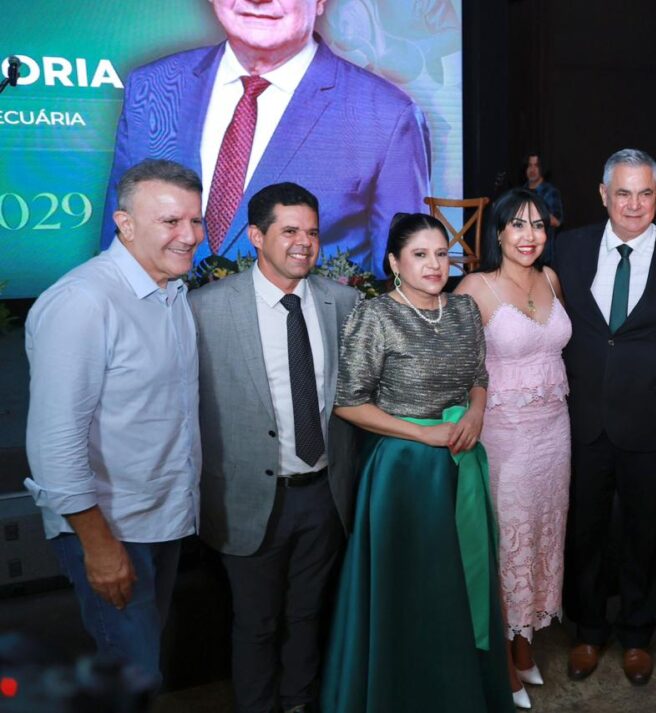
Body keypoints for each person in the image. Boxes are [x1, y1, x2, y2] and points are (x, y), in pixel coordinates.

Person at [23, 159, 204, 688]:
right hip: (110, 531)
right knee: (132, 680)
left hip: (162, 521)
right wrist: (98, 546)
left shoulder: (172, 294)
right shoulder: (83, 302)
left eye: (195, 220)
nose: (189, 235)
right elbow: (54, 444)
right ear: (124, 224)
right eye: (170, 221)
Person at [321, 213, 513, 712]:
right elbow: (347, 402)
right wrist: (422, 433)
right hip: (403, 472)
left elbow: (478, 376)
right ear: (394, 262)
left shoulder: (465, 309)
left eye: (441, 254)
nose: (434, 265)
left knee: (460, 584)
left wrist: (475, 411)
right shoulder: (376, 315)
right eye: (420, 255)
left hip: (461, 465)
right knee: (410, 592)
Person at [100, 0, 431, 277]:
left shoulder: (388, 114)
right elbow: (116, 251)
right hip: (160, 332)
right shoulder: (151, 86)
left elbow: (401, 283)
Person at [189, 182, 360, 713]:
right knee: (256, 624)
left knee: (309, 616)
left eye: (312, 232)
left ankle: (299, 702)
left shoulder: (344, 302)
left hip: (325, 494)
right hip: (248, 498)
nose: (304, 243)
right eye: (289, 231)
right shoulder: (205, 309)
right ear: (256, 236)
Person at [555, 148, 656, 686]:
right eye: (622, 192)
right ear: (603, 195)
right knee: (585, 532)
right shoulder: (568, 249)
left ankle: (637, 634)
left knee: (645, 535)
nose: (633, 204)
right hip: (583, 424)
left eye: (645, 193)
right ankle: (588, 629)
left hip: (653, 428)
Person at [455, 188, 572, 709]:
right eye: (518, 225)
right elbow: (460, 368)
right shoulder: (474, 288)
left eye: (539, 225)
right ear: (498, 231)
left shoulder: (552, 279)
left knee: (545, 536)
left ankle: (525, 646)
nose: (530, 236)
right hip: (505, 437)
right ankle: (501, 663)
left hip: (556, 433)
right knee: (508, 545)